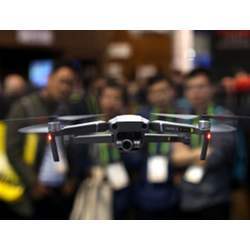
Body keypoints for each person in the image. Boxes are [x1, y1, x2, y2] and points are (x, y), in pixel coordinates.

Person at [6, 60, 79, 219]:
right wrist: (32, 183)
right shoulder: (24, 107)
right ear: (49, 79)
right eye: (62, 81)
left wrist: (72, 178)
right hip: (32, 191)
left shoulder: (66, 110)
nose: (65, 87)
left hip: (61, 190)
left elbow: (71, 147)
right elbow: (12, 149)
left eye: (70, 83)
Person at [171, 68, 236, 219]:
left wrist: (187, 155)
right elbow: (175, 158)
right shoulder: (182, 118)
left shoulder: (223, 117)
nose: (195, 92)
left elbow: (214, 157)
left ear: (211, 88)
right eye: (190, 88)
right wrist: (199, 153)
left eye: (201, 87)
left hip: (215, 197)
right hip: (186, 198)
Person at [70, 79, 135, 219]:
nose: (111, 102)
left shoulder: (131, 127)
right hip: (94, 186)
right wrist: (87, 170)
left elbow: (137, 160)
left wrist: (121, 147)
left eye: (116, 98)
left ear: (123, 102)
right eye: (107, 97)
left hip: (120, 188)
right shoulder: (89, 126)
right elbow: (78, 156)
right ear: (100, 99)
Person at [133, 74, 180, 219]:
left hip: (174, 191)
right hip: (145, 189)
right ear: (149, 96)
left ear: (173, 91)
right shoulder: (141, 119)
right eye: (155, 92)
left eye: (164, 90)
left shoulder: (182, 117)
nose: (160, 96)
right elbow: (132, 157)